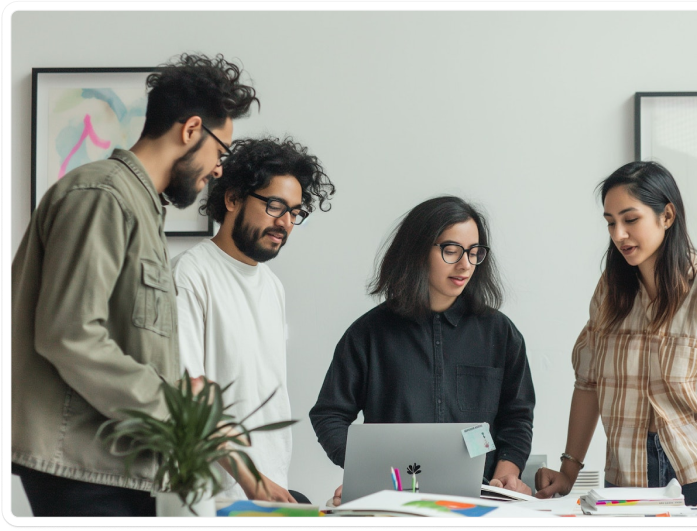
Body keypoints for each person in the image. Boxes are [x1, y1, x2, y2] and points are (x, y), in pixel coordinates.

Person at [11, 53, 258, 517]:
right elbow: (70, 334)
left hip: (116, 462)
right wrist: (175, 408)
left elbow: (128, 342)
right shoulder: (101, 195)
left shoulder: (140, 207)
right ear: (191, 130)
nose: (219, 170)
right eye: (220, 152)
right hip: (81, 462)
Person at [309, 195, 536, 505]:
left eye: (474, 252)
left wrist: (507, 473)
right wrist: (367, 471)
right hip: (392, 499)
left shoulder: (500, 333)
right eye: (451, 250)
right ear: (417, 250)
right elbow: (329, 414)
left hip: (481, 500)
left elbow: (517, 416)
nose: (465, 264)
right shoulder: (368, 334)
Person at [172, 137, 336, 504]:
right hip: (208, 497)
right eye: (276, 206)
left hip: (269, 492)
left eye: (295, 212)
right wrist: (252, 480)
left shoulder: (273, 287)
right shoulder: (190, 274)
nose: (286, 223)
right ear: (232, 199)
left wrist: (268, 482)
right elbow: (186, 397)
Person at [535, 161, 697, 506]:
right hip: (624, 479)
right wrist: (568, 470)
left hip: (691, 475)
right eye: (610, 223)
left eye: (630, 219)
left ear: (666, 216)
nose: (618, 234)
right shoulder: (611, 291)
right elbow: (588, 383)